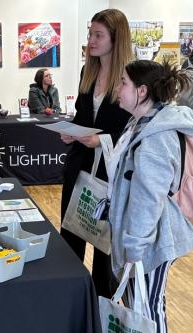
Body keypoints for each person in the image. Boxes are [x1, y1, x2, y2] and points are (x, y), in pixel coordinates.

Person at [78, 59, 193, 333]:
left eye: (123, 84)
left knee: (151, 300)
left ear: (142, 91)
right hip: (137, 233)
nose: (118, 88)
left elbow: (149, 200)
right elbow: (126, 181)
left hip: (154, 238)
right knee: (137, 297)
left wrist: (134, 245)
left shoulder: (156, 137)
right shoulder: (140, 124)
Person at [59, 9, 132, 298]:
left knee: (104, 249)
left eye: (98, 35)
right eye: (90, 33)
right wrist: (71, 131)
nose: (91, 40)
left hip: (109, 175)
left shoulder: (131, 77)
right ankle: (71, 301)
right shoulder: (87, 71)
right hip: (79, 168)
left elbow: (134, 131)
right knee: (71, 241)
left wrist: (101, 140)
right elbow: (82, 115)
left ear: (117, 39)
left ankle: (103, 307)